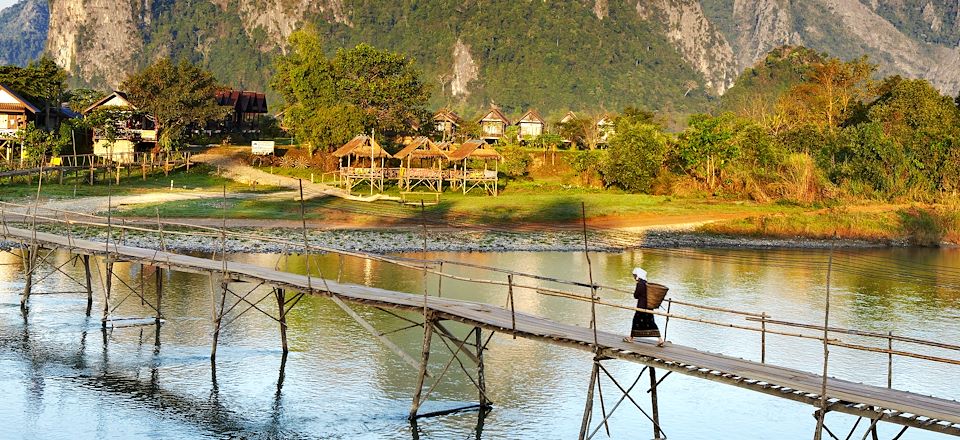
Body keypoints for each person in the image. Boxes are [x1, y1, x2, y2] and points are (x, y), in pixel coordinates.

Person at [624, 267, 665, 346]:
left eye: (635, 275)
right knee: (651, 322)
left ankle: (631, 338)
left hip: (641, 307)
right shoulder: (647, 284)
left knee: (636, 321)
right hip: (649, 306)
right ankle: (660, 340)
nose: (634, 277)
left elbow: (636, 295)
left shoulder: (640, 284)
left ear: (638, 275)